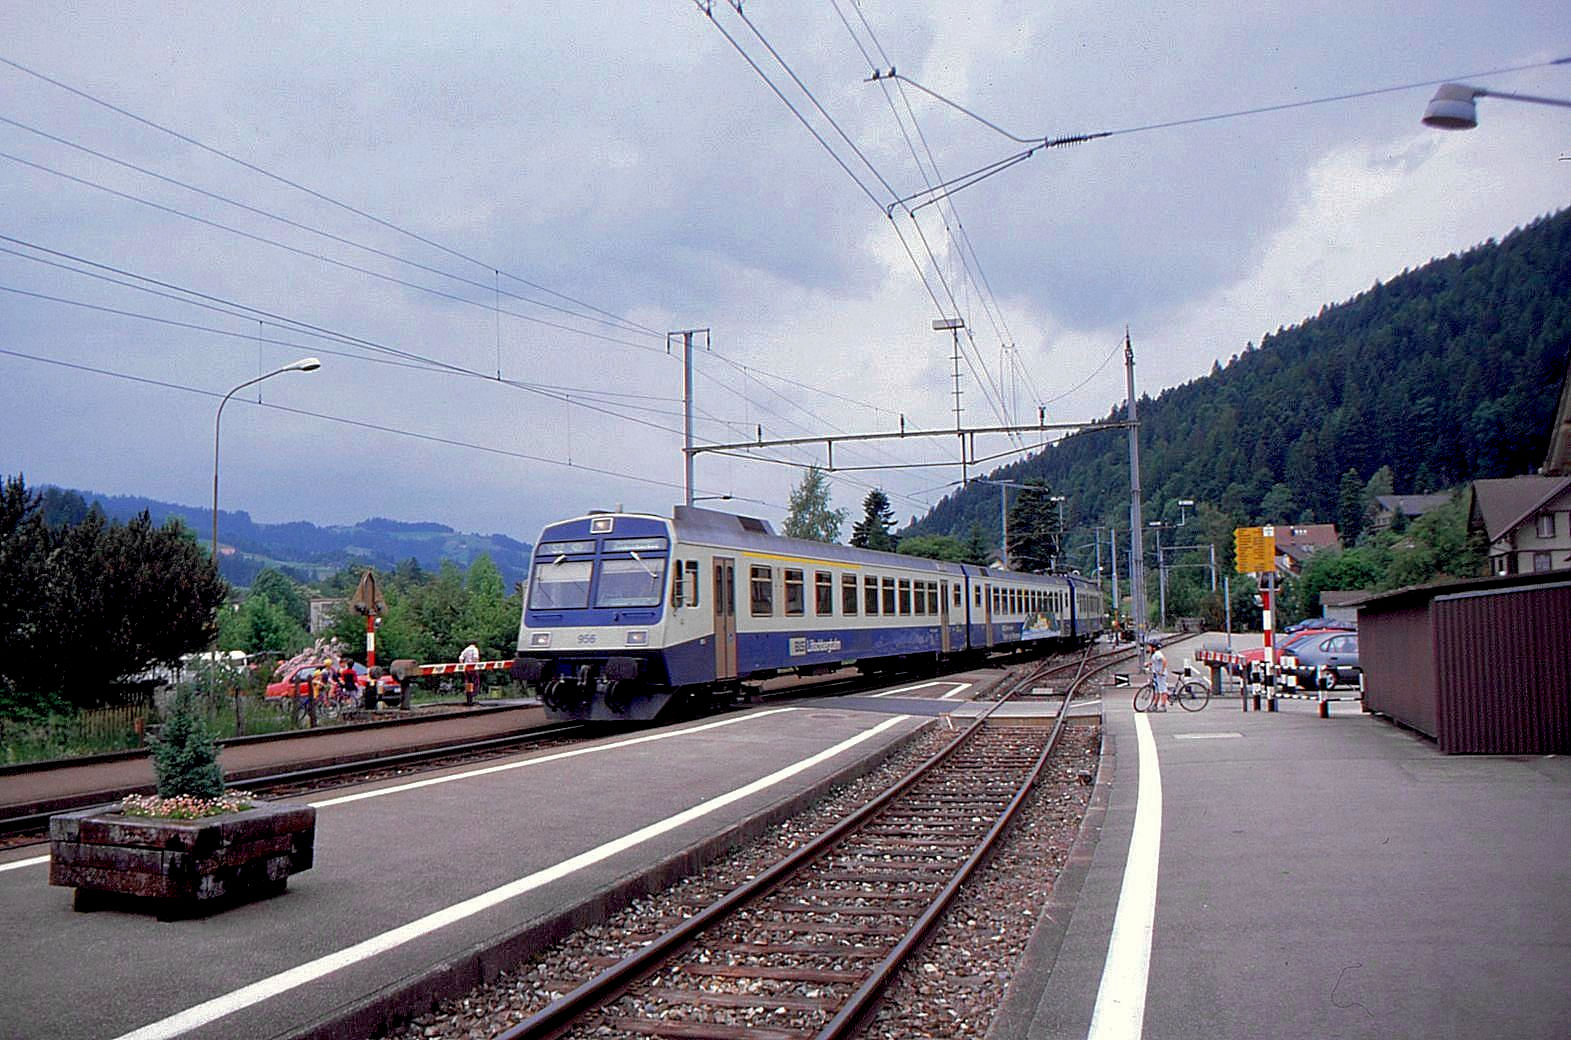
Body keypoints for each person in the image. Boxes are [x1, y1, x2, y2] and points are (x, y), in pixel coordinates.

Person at [1147, 640, 1171, 711]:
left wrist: (1162, 671)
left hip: (1161, 675)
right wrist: (1149, 664)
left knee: (1163, 690)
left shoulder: (1157, 654)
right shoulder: (1154, 654)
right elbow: (1155, 662)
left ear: (1154, 648)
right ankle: (1155, 705)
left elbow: (1164, 660)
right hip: (1156, 674)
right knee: (1157, 691)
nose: (1148, 648)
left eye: (1149, 647)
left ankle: (1163, 706)